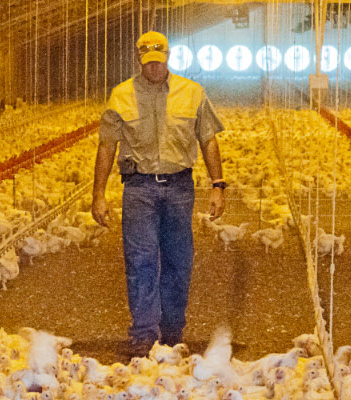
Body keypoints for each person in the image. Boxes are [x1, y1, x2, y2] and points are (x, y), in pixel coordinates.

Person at [91, 31, 226, 357]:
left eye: (159, 60)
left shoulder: (192, 93)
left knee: (179, 261)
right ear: (139, 59)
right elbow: (107, 145)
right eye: (148, 61)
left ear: (168, 57)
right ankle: (143, 335)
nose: (154, 67)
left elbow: (208, 139)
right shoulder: (121, 95)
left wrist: (218, 184)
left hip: (180, 187)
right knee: (141, 262)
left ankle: (172, 332)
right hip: (138, 188)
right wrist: (98, 193)